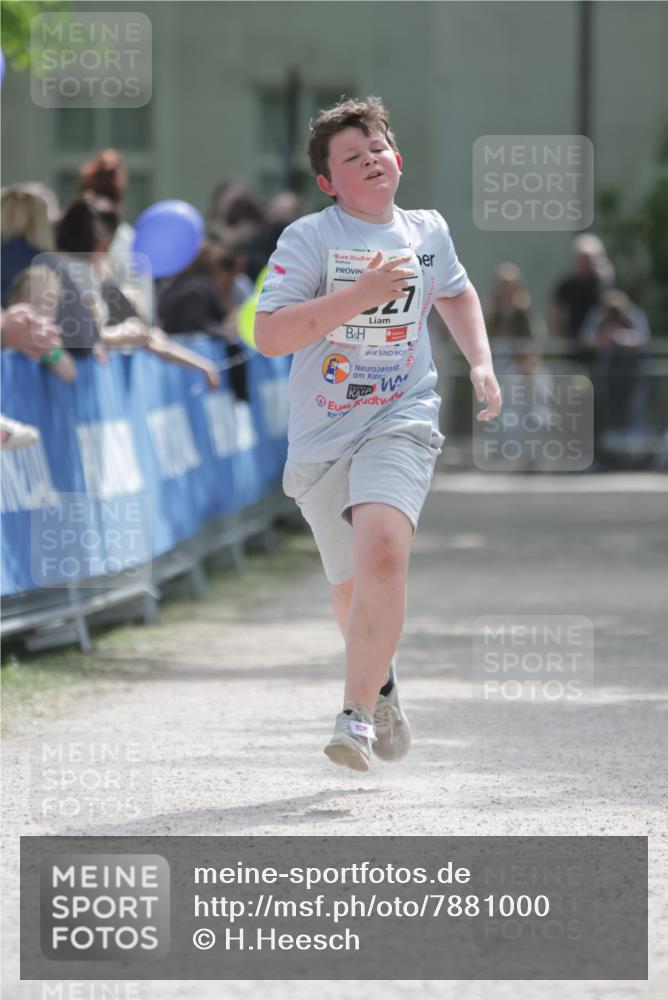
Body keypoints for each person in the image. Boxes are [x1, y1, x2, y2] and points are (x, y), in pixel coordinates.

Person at [254, 96, 502, 771]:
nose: (369, 160)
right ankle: (382, 686)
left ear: (399, 160)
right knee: (350, 588)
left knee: (384, 553)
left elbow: (455, 291)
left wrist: (480, 362)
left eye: (376, 148)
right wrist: (357, 297)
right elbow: (270, 335)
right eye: (350, 156)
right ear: (328, 181)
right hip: (324, 435)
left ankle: (355, 717)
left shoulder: (428, 232)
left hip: (402, 414)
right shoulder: (309, 238)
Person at [547, 233, 614, 357]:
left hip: (599, 346)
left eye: (588, 259)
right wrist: (558, 337)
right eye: (582, 258)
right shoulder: (567, 284)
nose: (585, 263)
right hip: (573, 344)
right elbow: (554, 311)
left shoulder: (603, 283)